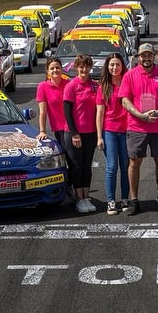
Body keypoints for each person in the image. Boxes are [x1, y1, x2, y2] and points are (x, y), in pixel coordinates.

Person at [118, 43, 158, 215]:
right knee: (134, 163)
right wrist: (139, 115)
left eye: (149, 55)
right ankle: (134, 200)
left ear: (154, 56)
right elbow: (124, 100)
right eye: (143, 55)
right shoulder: (130, 75)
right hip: (137, 126)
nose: (146, 58)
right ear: (138, 57)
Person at [62, 54, 100, 214]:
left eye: (87, 66)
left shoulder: (94, 86)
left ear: (90, 67)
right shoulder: (72, 85)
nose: (84, 69)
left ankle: (85, 196)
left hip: (90, 132)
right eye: (81, 67)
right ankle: (78, 198)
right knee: (76, 166)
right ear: (76, 68)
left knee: (87, 165)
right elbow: (67, 111)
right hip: (74, 133)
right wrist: (74, 133)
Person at [96, 53, 129, 215]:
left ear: (122, 66)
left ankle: (124, 199)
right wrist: (99, 137)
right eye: (112, 65)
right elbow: (100, 113)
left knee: (125, 167)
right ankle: (111, 201)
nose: (114, 68)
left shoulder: (128, 83)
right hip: (109, 131)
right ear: (107, 67)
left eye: (117, 64)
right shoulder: (103, 87)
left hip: (127, 131)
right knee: (111, 167)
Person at [35, 57, 67, 144]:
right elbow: (43, 112)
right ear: (48, 71)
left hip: (73, 126)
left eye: (57, 68)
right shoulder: (43, 87)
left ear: (61, 69)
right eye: (52, 68)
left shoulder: (69, 85)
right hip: (59, 128)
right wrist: (42, 131)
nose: (55, 70)